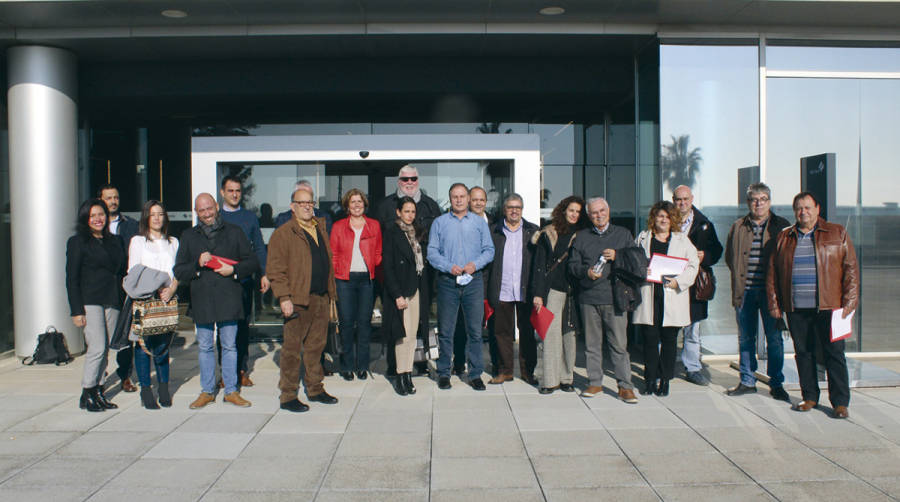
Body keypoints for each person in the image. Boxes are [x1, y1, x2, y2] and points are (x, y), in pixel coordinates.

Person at [767, 192, 859, 419]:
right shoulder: (784, 237)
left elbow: (851, 270)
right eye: (799, 208)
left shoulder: (837, 233)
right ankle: (809, 397)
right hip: (796, 307)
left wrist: (850, 302)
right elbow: (773, 274)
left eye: (807, 207)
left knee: (834, 355)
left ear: (817, 208)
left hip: (831, 307)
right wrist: (775, 305)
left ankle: (839, 403)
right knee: (804, 353)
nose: (803, 212)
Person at [174, 193, 259, 409]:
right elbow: (179, 270)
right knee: (204, 347)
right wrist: (196, 264)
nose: (206, 214)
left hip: (229, 298)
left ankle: (231, 391)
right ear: (196, 212)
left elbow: (252, 262)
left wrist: (234, 270)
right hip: (202, 299)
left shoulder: (234, 232)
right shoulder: (188, 236)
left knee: (229, 346)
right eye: (201, 211)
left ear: (216, 207)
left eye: (209, 209)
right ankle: (207, 390)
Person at [267, 186, 339, 412]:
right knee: (291, 350)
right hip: (297, 299)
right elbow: (275, 270)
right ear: (292, 207)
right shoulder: (284, 233)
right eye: (302, 203)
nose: (308, 206)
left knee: (316, 347)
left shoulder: (320, 228)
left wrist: (331, 296)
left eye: (310, 202)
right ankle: (288, 395)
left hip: (320, 298)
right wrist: (284, 297)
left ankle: (315, 388)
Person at [724, 183, 791, 401]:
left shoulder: (781, 226)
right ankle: (747, 380)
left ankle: (776, 383)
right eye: (754, 199)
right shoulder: (738, 226)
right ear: (748, 202)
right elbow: (729, 258)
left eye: (763, 199)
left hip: (771, 294)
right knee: (746, 338)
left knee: (774, 339)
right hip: (745, 292)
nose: (758, 203)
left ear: (769, 202)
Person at [568, 197, 639, 403]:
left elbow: (637, 261)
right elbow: (572, 265)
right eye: (593, 213)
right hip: (588, 298)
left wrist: (618, 256)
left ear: (608, 212)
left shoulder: (623, 234)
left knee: (618, 345)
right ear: (589, 216)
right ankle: (595, 383)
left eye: (601, 211)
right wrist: (586, 272)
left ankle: (625, 386)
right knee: (592, 345)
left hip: (615, 298)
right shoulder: (581, 237)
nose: (598, 216)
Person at [427, 183, 495, 391]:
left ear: (467, 198)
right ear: (450, 199)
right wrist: (449, 266)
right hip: (448, 282)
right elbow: (432, 252)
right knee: (446, 331)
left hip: (473, 282)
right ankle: (444, 373)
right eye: (454, 197)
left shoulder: (478, 222)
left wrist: (474, 265)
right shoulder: (439, 223)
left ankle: (475, 374)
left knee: (475, 331)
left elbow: (489, 250)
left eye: (462, 196)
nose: (458, 200)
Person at [376, 165, 442, 377]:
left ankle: (420, 362)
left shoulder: (431, 206)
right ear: (399, 181)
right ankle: (396, 368)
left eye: (413, 178)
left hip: (423, 277)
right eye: (405, 179)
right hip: (397, 279)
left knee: (420, 322)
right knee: (399, 325)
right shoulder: (386, 206)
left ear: (418, 180)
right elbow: (381, 246)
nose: (410, 182)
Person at [633, 201, 699, 397]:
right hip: (650, 295)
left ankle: (665, 380)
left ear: (673, 220)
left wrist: (678, 282)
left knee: (669, 342)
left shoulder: (682, 240)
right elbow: (634, 261)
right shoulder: (644, 237)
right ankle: (650, 380)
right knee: (650, 341)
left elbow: (693, 266)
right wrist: (641, 271)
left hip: (672, 295)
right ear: (654, 217)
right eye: (660, 216)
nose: (663, 220)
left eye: (667, 217)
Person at [66, 198, 125, 412]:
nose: (98, 219)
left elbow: (119, 271)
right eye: (93, 216)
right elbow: (71, 278)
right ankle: (87, 391)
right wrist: (76, 310)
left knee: (107, 348)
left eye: (101, 214)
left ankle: (99, 390)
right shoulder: (77, 242)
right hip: (90, 300)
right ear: (85, 219)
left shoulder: (115, 241)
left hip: (112, 299)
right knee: (97, 347)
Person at [532, 196, 588, 394]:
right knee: (550, 335)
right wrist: (538, 294)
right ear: (564, 210)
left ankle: (567, 378)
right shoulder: (549, 232)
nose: (574, 214)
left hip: (574, 291)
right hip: (553, 290)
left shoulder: (584, 234)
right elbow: (539, 265)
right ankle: (549, 380)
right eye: (571, 210)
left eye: (578, 211)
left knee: (569, 336)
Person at [127, 200, 179, 409]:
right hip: (144, 299)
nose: (157, 218)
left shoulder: (173, 242)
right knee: (142, 345)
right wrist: (156, 284)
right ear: (146, 218)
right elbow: (134, 270)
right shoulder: (138, 241)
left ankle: (164, 387)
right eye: (153, 214)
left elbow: (177, 271)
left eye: (160, 214)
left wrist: (172, 288)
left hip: (167, 297)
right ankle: (146, 390)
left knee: (163, 344)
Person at [219, 175, 269, 388]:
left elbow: (258, 246)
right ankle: (225, 372)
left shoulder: (249, 217)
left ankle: (241, 370)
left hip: (245, 280)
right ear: (223, 192)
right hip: (220, 282)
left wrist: (264, 273)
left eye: (238, 190)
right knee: (223, 328)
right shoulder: (216, 216)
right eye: (230, 191)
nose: (235, 194)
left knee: (242, 328)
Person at [672, 185, 723, 386]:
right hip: (672, 281)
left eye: (685, 199)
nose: (682, 203)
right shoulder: (667, 221)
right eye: (678, 199)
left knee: (692, 329)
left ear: (692, 199)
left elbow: (717, 250)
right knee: (667, 327)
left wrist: (705, 256)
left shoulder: (704, 224)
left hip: (694, 285)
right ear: (673, 200)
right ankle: (663, 366)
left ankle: (692, 367)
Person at [330, 189, 382, 380]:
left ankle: (362, 365)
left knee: (364, 324)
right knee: (346, 324)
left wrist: (374, 265)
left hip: (366, 280)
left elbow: (378, 251)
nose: (357, 205)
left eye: (359, 201)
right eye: (353, 202)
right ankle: (346, 366)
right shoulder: (338, 227)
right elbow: (333, 254)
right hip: (345, 280)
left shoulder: (374, 225)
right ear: (347, 206)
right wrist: (337, 273)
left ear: (364, 204)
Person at [487, 193, 539, 385]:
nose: (514, 211)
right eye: (510, 207)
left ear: (522, 209)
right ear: (504, 210)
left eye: (518, 207)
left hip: (526, 291)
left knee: (526, 332)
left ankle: (528, 372)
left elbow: (540, 264)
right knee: (502, 333)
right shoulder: (494, 231)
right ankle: (505, 371)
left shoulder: (533, 231)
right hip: (502, 289)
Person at [382, 196, 429, 396]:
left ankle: (408, 372)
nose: (410, 215)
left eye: (412, 211)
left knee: (412, 335)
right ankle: (400, 375)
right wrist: (397, 294)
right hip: (402, 290)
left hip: (417, 287)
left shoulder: (417, 232)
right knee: (402, 335)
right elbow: (388, 267)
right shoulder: (392, 233)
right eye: (406, 211)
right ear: (398, 212)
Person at [99, 184, 140, 393]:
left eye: (115, 197)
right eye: (108, 198)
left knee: (125, 331)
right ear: (101, 200)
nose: (113, 201)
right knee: (101, 333)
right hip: (103, 286)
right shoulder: (96, 226)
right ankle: (101, 371)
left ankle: (125, 375)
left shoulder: (131, 225)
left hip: (125, 284)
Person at [453, 185, 492, 376]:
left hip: (487, 282)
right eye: (474, 199)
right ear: (469, 200)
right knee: (461, 325)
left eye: (481, 200)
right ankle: (459, 362)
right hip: (463, 282)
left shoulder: (493, 224)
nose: (478, 203)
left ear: (486, 202)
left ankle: (490, 364)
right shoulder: (458, 222)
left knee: (484, 328)